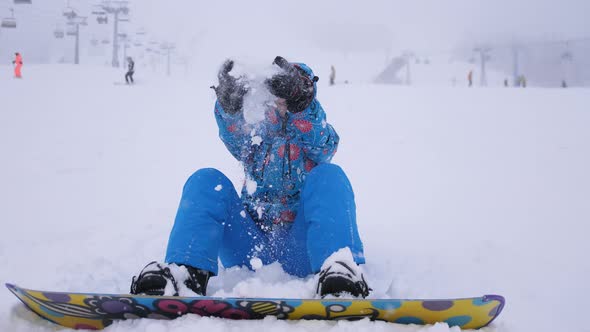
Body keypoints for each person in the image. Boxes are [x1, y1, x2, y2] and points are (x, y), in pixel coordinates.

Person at [130, 56, 370, 298]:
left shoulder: (312, 127)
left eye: (288, 91)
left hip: (305, 249)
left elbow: (325, 147)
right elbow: (235, 140)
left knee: (330, 176)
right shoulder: (257, 128)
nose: (280, 99)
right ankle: (184, 273)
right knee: (206, 180)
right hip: (250, 248)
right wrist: (230, 107)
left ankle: (339, 270)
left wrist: (301, 107)